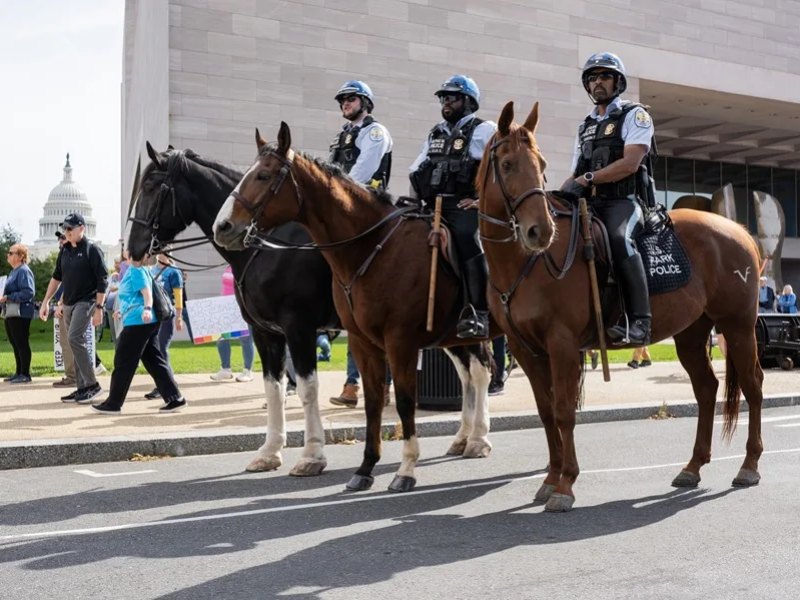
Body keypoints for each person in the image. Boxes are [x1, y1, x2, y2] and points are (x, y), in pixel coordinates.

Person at [561, 52, 655, 346]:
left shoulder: (635, 115)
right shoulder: (585, 126)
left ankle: (640, 321)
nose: (597, 82)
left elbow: (630, 163)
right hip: (590, 205)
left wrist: (588, 180)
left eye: (604, 76)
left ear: (618, 82)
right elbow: (576, 171)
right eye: (592, 78)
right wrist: (554, 197)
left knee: (618, 240)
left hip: (624, 203)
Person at [409, 74, 497, 340]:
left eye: (452, 97)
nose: (445, 102)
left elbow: (498, 172)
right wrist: (413, 203)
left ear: (469, 101)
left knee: (468, 240)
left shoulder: (484, 129)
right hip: (430, 205)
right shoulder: (435, 132)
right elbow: (416, 169)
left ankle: (478, 313)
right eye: (443, 98)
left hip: (463, 205)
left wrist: (483, 202)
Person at [328, 79, 394, 407]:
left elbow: (363, 170)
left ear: (365, 102)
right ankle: (352, 383)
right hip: (342, 210)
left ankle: (380, 384)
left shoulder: (374, 132)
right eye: (343, 100)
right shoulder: (342, 134)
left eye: (351, 99)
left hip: (368, 209)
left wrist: (334, 193)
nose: (345, 103)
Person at [90, 255, 186, 414]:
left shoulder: (136, 269)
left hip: (139, 321)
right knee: (154, 360)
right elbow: (135, 296)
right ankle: (175, 398)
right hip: (146, 321)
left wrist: (147, 309)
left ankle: (113, 403)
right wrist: (121, 310)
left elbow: (147, 294)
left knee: (123, 361)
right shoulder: (142, 269)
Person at [39, 213, 107, 403]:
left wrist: (99, 308)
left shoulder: (92, 250)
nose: (66, 232)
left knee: (74, 337)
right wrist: (46, 302)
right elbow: (56, 278)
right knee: (72, 343)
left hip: (86, 301)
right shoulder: (65, 250)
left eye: (70, 228)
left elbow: (103, 279)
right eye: (65, 229)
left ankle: (92, 385)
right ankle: (82, 387)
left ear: (81, 229)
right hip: (68, 302)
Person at [143, 252, 184, 399]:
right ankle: (165, 383)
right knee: (154, 349)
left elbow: (178, 296)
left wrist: (179, 317)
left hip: (166, 313)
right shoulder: (150, 269)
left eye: (165, 251)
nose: (162, 254)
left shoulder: (174, 271)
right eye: (160, 251)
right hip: (153, 314)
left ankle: (166, 385)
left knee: (161, 348)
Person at [210, 265, 254, 383]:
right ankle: (225, 369)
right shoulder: (229, 266)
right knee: (222, 339)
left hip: (241, 306)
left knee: (245, 339)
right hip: (226, 307)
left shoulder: (245, 265)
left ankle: (248, 371)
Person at [1, 243, 35, 383]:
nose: (8, 255)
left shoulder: (23, 271)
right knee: (15, 343)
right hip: (11, 312)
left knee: (21, 342)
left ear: (21, 256)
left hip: (21, 312)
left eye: (11, 253)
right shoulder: (13, 272)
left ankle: (25, 374)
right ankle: (19, 372)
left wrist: (9, 297)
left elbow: (29, 292)